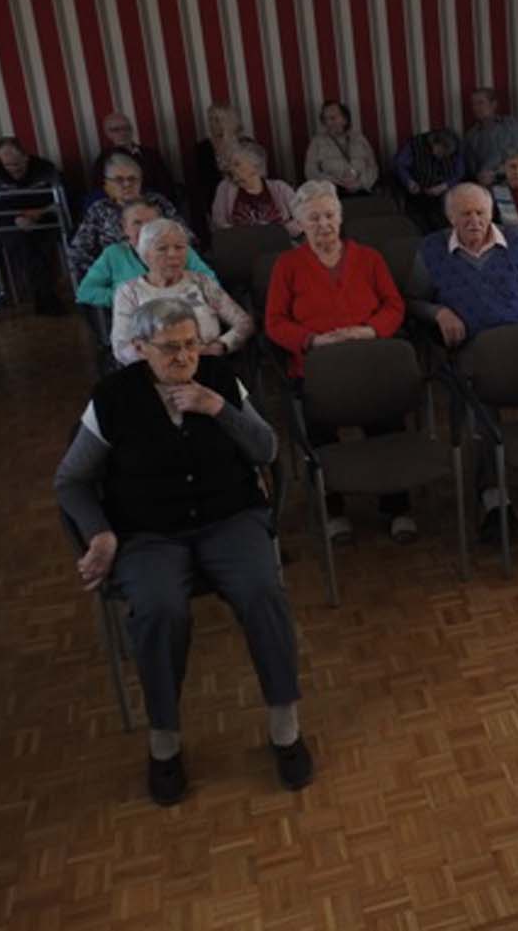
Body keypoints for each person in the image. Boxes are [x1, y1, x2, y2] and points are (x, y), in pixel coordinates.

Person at [54, 297, 312, 807]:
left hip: (229, 518)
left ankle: (286, 727)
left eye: (190, 344)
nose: (183, 358)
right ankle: (164, 742)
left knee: (263, 591)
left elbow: (266, 450)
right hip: (148, 531)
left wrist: (217, 407)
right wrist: (99, 533)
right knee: (158, 609)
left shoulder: (218, 377)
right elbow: (72, 481)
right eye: (169, 348)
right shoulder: (113, 397)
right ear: (138, 348)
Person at [408, 182, 518, 539]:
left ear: (491, 213)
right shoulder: (431, 250)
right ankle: (493, 495)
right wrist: (439, 312)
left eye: (480, 212)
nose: (474, 220)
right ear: (450, 218)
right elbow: (413, 299)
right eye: (465, 214)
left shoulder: (515, 241)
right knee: (480, 400)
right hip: (472, 346)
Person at [264, 180, 412, 543]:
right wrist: (311, 340)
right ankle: (335, 509)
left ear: (341, 218)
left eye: (330, 215)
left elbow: (395, 306)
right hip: (318, 369)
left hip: (369, 361)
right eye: (313, 218)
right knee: (322, 438)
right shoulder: (287, 265)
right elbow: (274, 322)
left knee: (387, 428)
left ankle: (396, 506)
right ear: (299, 223)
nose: (323, 224)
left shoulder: (369, 257)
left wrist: (371, 331)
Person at [112, 219, 253, 365]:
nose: (173, 254)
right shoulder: (129, 292)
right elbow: (121, 348)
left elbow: (244, 323)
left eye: (179, 247)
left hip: (207, 363)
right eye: (162, 248)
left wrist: (220, 346)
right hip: (155, 371)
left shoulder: (201, 282)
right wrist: (164, 361)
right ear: (145, 255)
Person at [68, 152, 190, 281]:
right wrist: (102, 275)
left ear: (141, 181)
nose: (126, 184)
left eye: (132, 179)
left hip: (164, 274)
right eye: (118, 180)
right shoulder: (99, 210)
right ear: (107, 183)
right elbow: (78, 252)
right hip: (116, 279)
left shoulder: (158, 203)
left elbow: (186, 237)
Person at [0, 136, 67, 315]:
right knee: (23, 245)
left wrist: (37, 214)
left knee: (39, 244)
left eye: (17, 163)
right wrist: (18, 217)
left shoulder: (45, 168)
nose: (13, 169)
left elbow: (61, 199)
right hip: (10, 220)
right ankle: (46, 295)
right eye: (8, 165)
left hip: (44, 217)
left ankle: (42, 295)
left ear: (25, 156)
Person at [77, 200, 217, 308]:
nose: (144, 228)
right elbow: (85, 292)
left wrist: (179, 295)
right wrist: (127, 298)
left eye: (151, 222)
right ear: (124, 228)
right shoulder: (113, 255)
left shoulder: (179, 249)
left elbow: (210, 281)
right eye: (137, 223)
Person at [210, 140, 301, 236]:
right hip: (241, 246)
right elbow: (218, 223)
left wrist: (280, 231)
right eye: (230, 165)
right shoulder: (225, 188)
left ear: (255, 165)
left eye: (237, 164)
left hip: (278, 244)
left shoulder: (280, 188)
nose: (231, 169)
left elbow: (302, 217)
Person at [90, 112, 176, 203]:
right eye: (115, 130)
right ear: (107, 133)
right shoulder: (103, 160)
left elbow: (167, 184)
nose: (122, 133)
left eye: (126, 128)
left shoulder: (150, 154)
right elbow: (101, 192)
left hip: (156, 202)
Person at [393, 127, 464, 232]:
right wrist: (409, 182)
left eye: (446, 154)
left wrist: (444, 186)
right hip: (418, 190)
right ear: (434, 142)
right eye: (440, 151)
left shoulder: (455, 148)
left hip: (444, 192)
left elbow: (459, 173)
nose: (442, 156)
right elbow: (399, 165)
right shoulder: (415, 145)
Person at [303, 100, 378, 197]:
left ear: (345, 119)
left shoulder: (359, 139)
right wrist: (334, 182)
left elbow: (372, 167)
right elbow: (310, 172)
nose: (329, 122)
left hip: (362, 191)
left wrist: (360, 183)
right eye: (325, 119)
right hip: (332, 194)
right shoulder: (317, 142)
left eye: (333, 118)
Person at [194, 102, 250, 228]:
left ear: (230, 120)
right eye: (210, 119)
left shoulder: (247, 144)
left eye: (218, 119)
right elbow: (199, 183)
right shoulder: (202, 149)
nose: (213, 123)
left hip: (246, 195)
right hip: (214, 199)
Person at [462, 87, 518, 186]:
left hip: (514, 176)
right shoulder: (471, 135)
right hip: (487, 183)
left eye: (480, 103)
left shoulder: (510, 124)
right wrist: (480, 176)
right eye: (473, 104)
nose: (476, 108)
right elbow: (471, 169)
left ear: (493, 104)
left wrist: (497, 173)